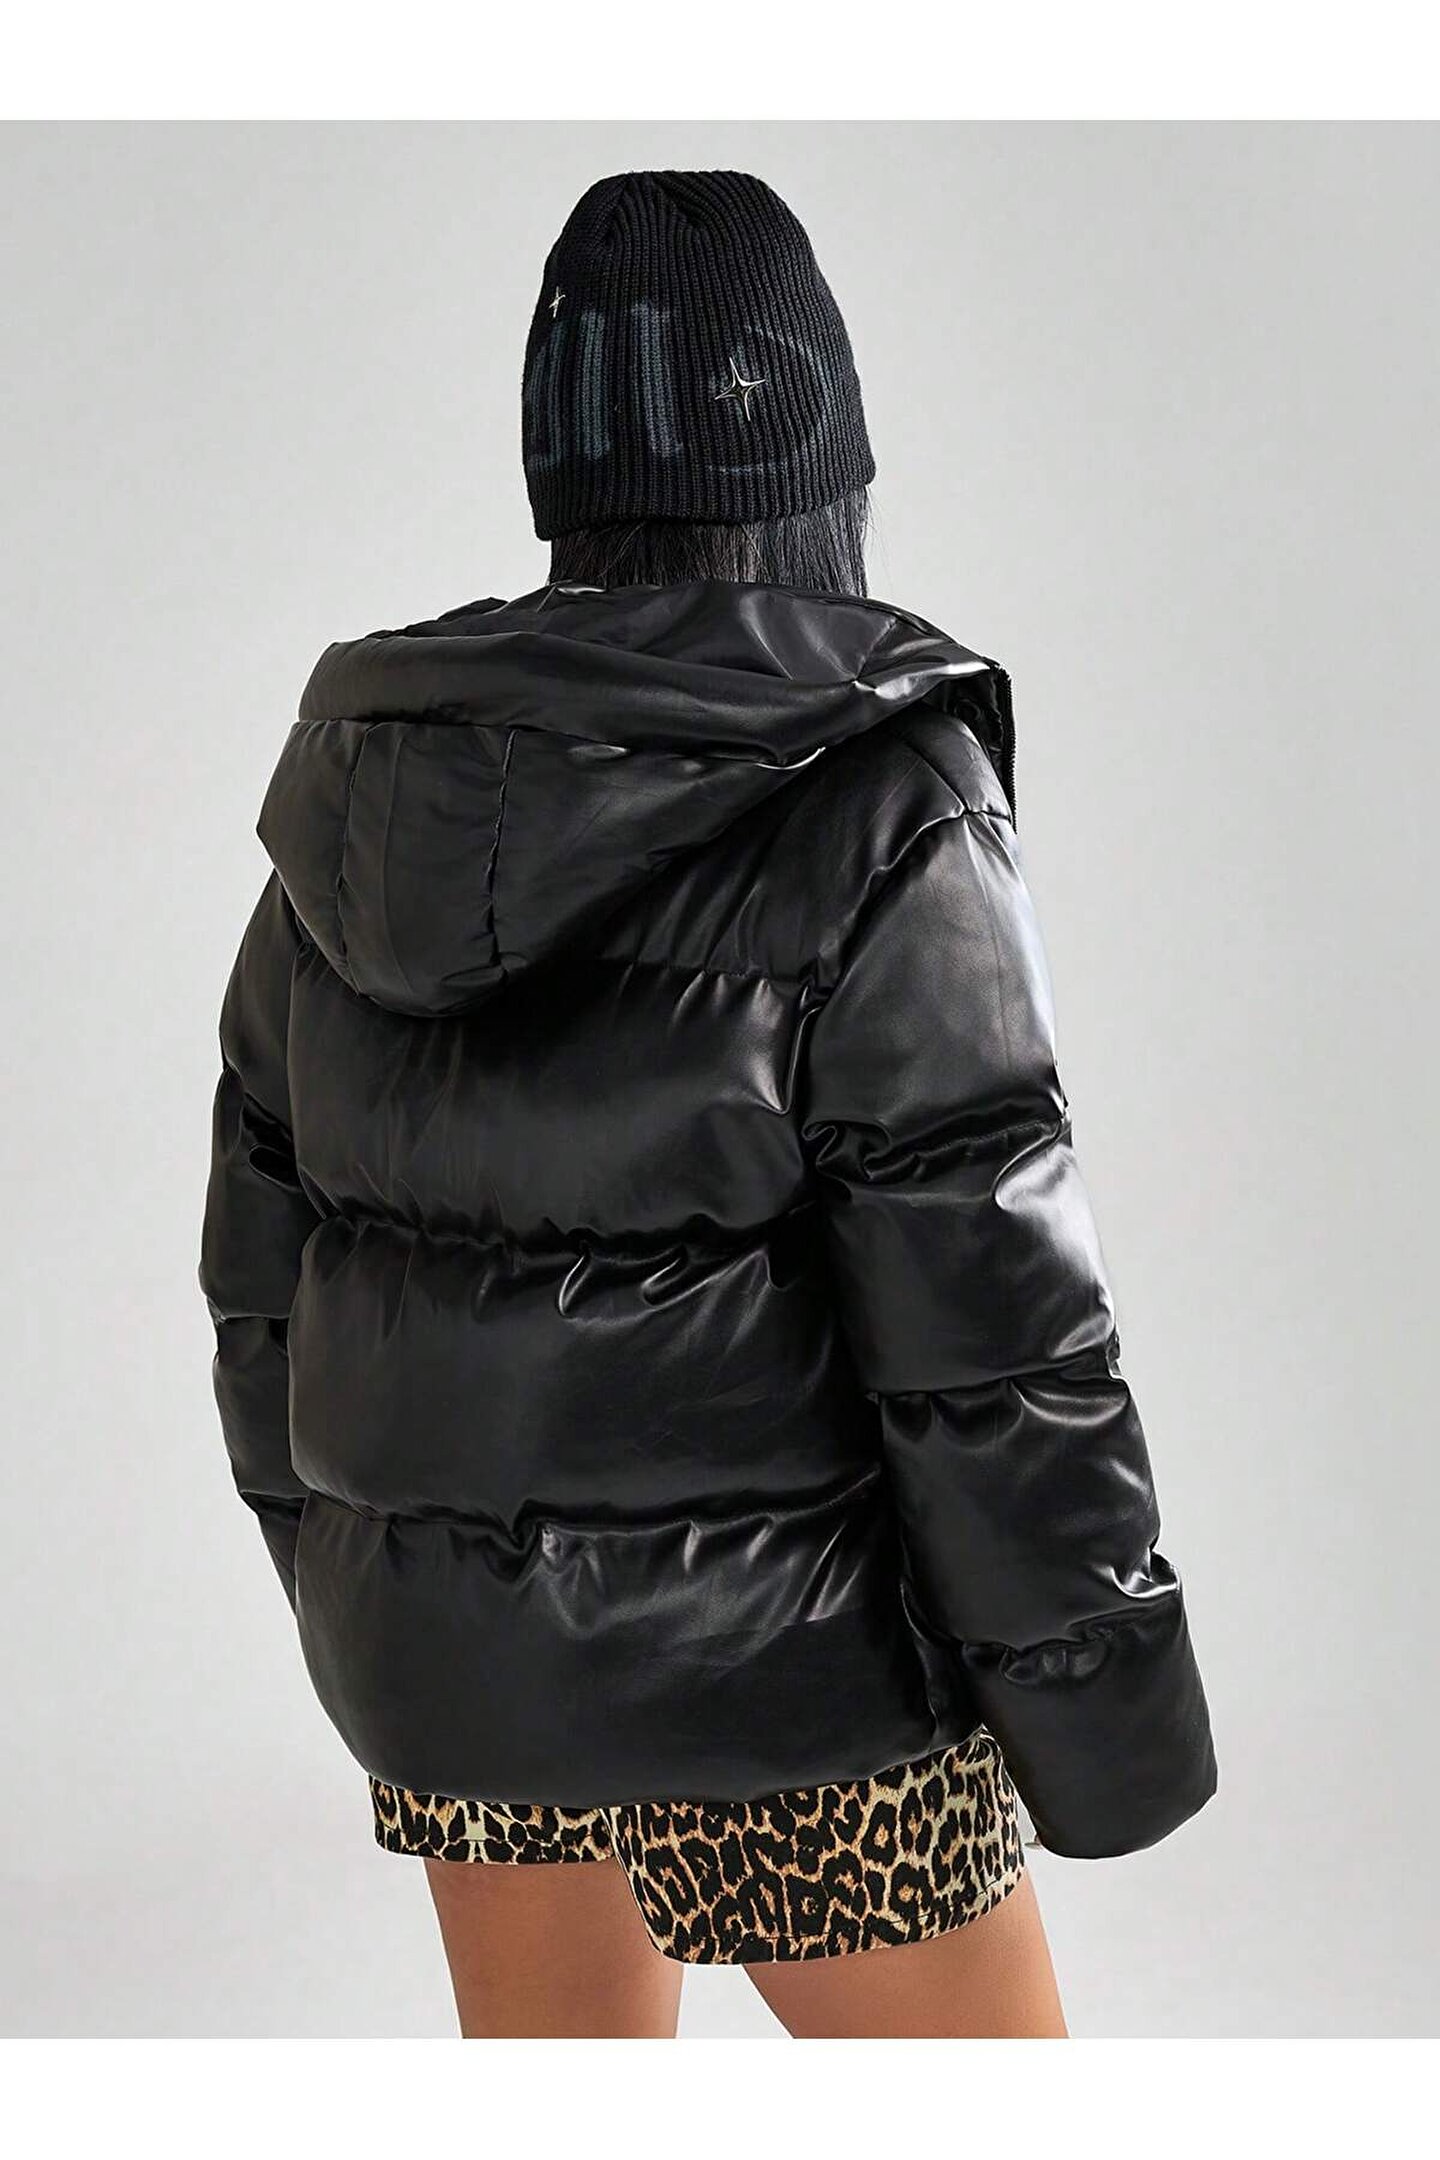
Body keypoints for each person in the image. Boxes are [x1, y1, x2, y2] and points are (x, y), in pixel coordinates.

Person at [200, 168, 1217, 2039]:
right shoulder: (885, 799)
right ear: (821, 460)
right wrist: (1113, 1733)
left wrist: (395, 1596)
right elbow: (995, 1336)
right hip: (796, 1696)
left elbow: (262, 1296)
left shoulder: (364, 806)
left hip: (464, 1685)